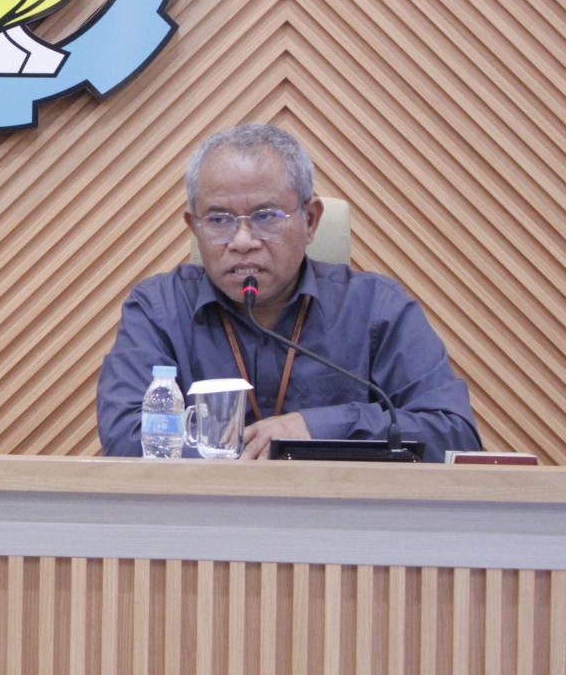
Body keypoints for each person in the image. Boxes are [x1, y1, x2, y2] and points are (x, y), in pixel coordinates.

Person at [96, 123, 479, 461]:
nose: (242, 241)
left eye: (265, 216)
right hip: (205, 517)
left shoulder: (376, 309)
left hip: (339, 517)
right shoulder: (158, 310)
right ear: (194, 227)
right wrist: (235, 455)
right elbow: (126, 436)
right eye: (219, 220)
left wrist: (318, 427)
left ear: (310, 220)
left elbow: (452, 434)